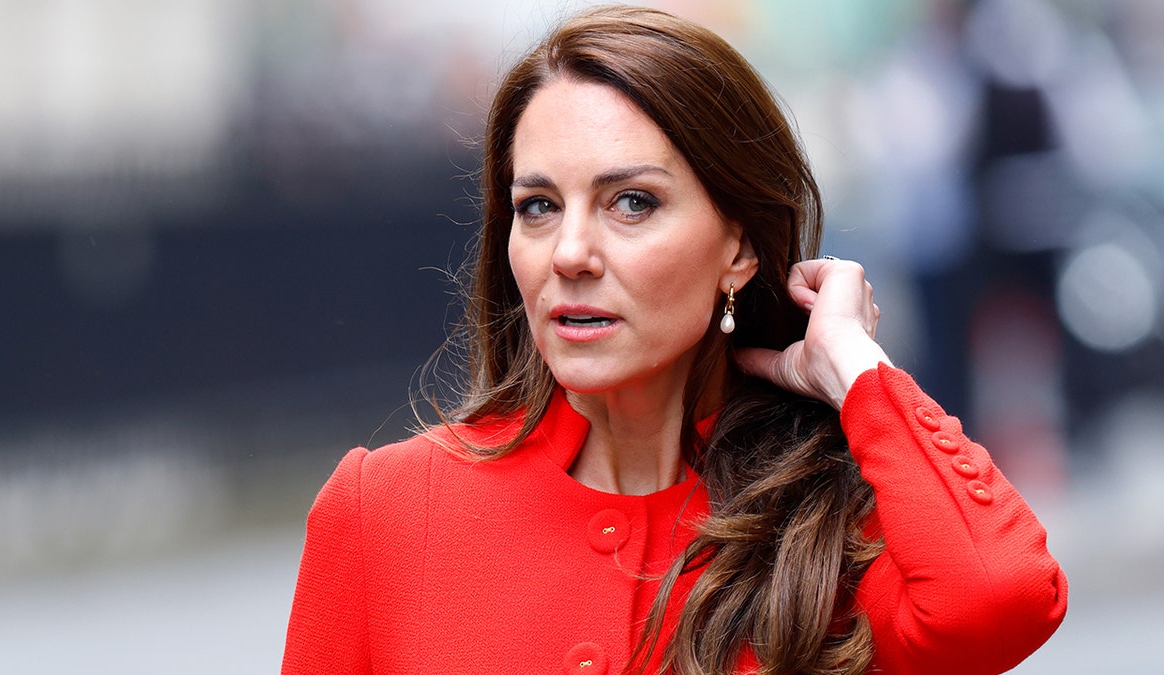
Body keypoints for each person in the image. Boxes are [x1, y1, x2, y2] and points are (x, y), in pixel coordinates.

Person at [282, 5, 1067, 674]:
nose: (570, 253)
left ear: (739, 246)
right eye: (538, 206)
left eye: (630, 202)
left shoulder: (831, 526)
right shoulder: (384, 511)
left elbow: (1002, 596)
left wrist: (856, 370)